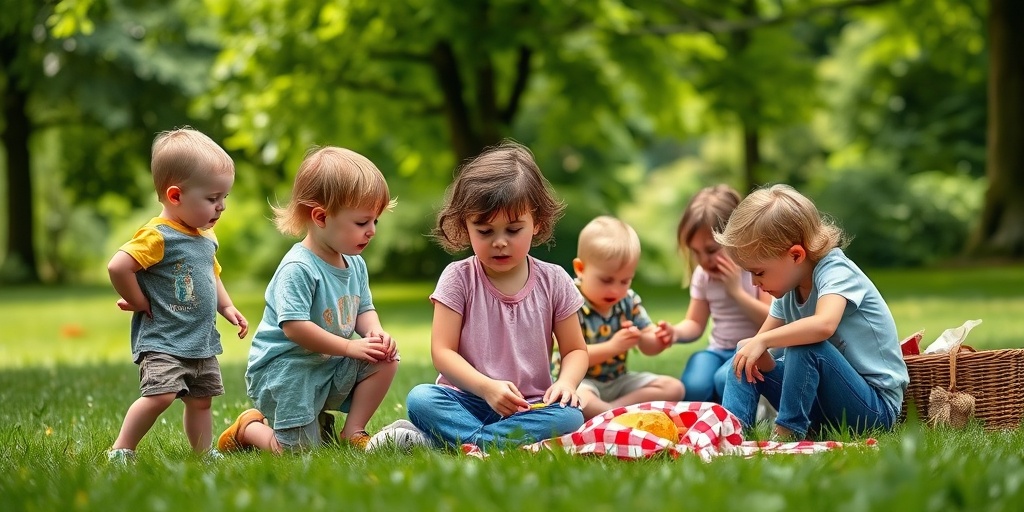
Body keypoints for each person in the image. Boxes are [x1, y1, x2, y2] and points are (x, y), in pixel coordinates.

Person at [380, 141, 589, 452]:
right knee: (421, 399)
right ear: (465, 226)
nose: (500, 243)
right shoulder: (459, 278)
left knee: (570, 417)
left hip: (528, 406)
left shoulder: (554, 280)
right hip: (465, 399)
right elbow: (442, 352)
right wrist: (487, 388)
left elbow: (576, 351)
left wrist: (566, 384)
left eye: (513, 230)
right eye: (485, 231)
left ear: (538, 222)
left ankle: (456, 444)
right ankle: (495, 443)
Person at [217, 146, 399, 454]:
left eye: (375, 222)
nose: (371, 232)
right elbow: (294, 327)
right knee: (297, 452)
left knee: (385, 358)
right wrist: (348, 347)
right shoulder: (298, 267)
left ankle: (352, 431)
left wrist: (374, 333)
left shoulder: (354, 263)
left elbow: (363, 308)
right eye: (362, 222)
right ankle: (248, 428)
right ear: (321, 216)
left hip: (326, 365)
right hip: (287, 372)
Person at [717, 184, 909, 440]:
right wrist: (754, 347)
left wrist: (762, 340)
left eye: (758, 272)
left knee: (807, 345)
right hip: (822, 408)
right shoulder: (787, 289)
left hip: (873, 409)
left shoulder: (836, 271)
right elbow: (759, 349)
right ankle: (731, 435)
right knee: (745, 354)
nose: (754, 283)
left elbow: (823, 325)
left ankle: (788, 431)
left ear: (796, 255)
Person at [106, 128, 249, 463]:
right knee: (160, 395)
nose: (221, 206)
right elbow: (118, 267)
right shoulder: (158, 235)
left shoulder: (205, 236)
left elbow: (210, 273)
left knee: (201, 400)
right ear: (175, 196)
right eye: (213, 198)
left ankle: (203, 452)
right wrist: (139, 300)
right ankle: (121, 450)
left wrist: (226, 306)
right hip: (164, 338)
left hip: (199, 340)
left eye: (224, 198)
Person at [565, 215, 684, 420]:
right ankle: (612, 412)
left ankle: (611, 411)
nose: (616, 289)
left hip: (619, 382)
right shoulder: (571, 301)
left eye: (625, 281)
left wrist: (658, 339)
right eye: (607, 280)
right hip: (580, 381)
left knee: (674, 388)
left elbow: (648, 345)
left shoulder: (628, 301)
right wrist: (614, 346)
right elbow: (571, 354)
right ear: (580, 269)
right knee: (580, 399)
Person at [665, 185, 772, 403]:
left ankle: (751, 408)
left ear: (737, 236)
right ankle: (712, 410)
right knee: (694, 386)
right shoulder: (703, 276)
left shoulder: (757, 270)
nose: (704, 261)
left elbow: (771, 318)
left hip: (753, 351)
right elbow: (695, 323)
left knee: (725, 380)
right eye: (695, 252)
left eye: (712, 250)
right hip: (718, 349)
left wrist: (736, 292)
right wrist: (674, 332)